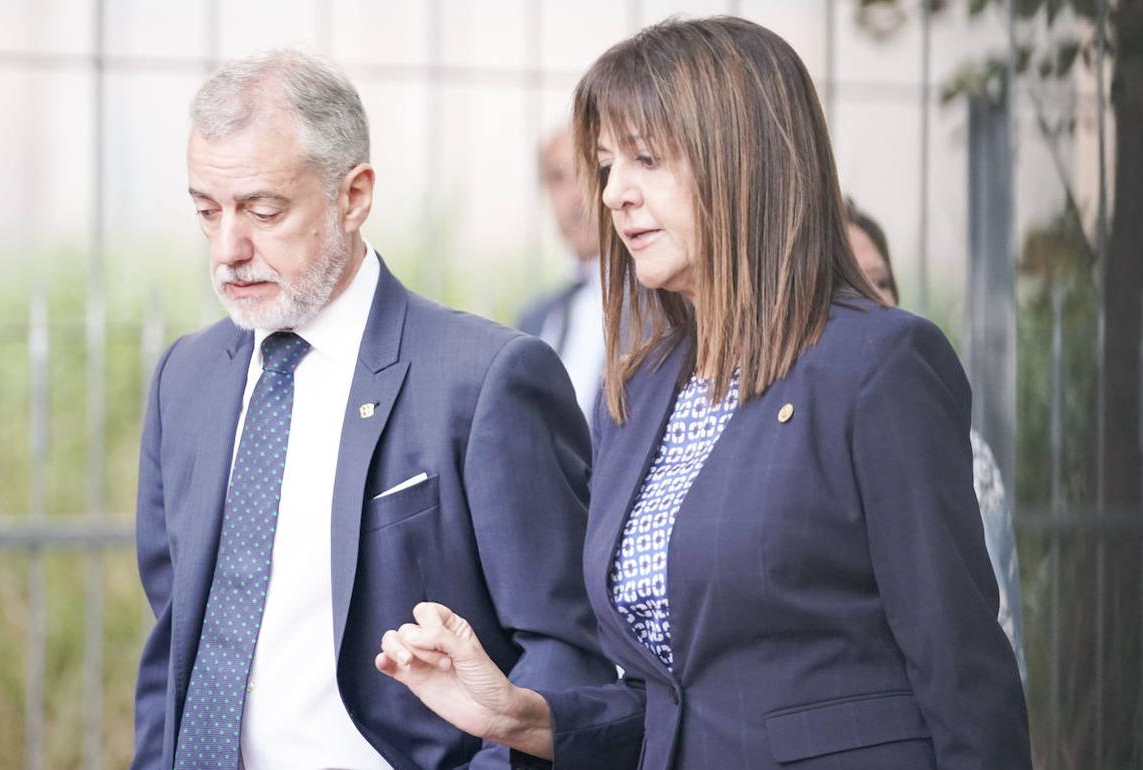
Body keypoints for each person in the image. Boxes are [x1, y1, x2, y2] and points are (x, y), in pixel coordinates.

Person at [375, 17, 1032, 770]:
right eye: (605, 165)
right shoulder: (640, 388)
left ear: (744, 162)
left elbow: (964, 677)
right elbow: (671, 705)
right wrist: (523, 715)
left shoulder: (879, 365)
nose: (615, 194)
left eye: (646, 159)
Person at [130, 50, 617, 770]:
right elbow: (176, 641)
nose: (229, 249)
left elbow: (566, 652)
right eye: (208, 211)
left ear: (353, 195)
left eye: (263, 210)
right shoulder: (186, 379)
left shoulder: (484, 379)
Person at [844, 197, 1028, 681]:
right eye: (848, 280)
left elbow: (992, 635)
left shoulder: (957, 448)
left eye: (881, 281)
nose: (872, 297)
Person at [517, 127, 605, 420]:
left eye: (588, 172)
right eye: (558, 178)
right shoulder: (536, 319)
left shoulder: (661, 312)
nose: (575, 197)